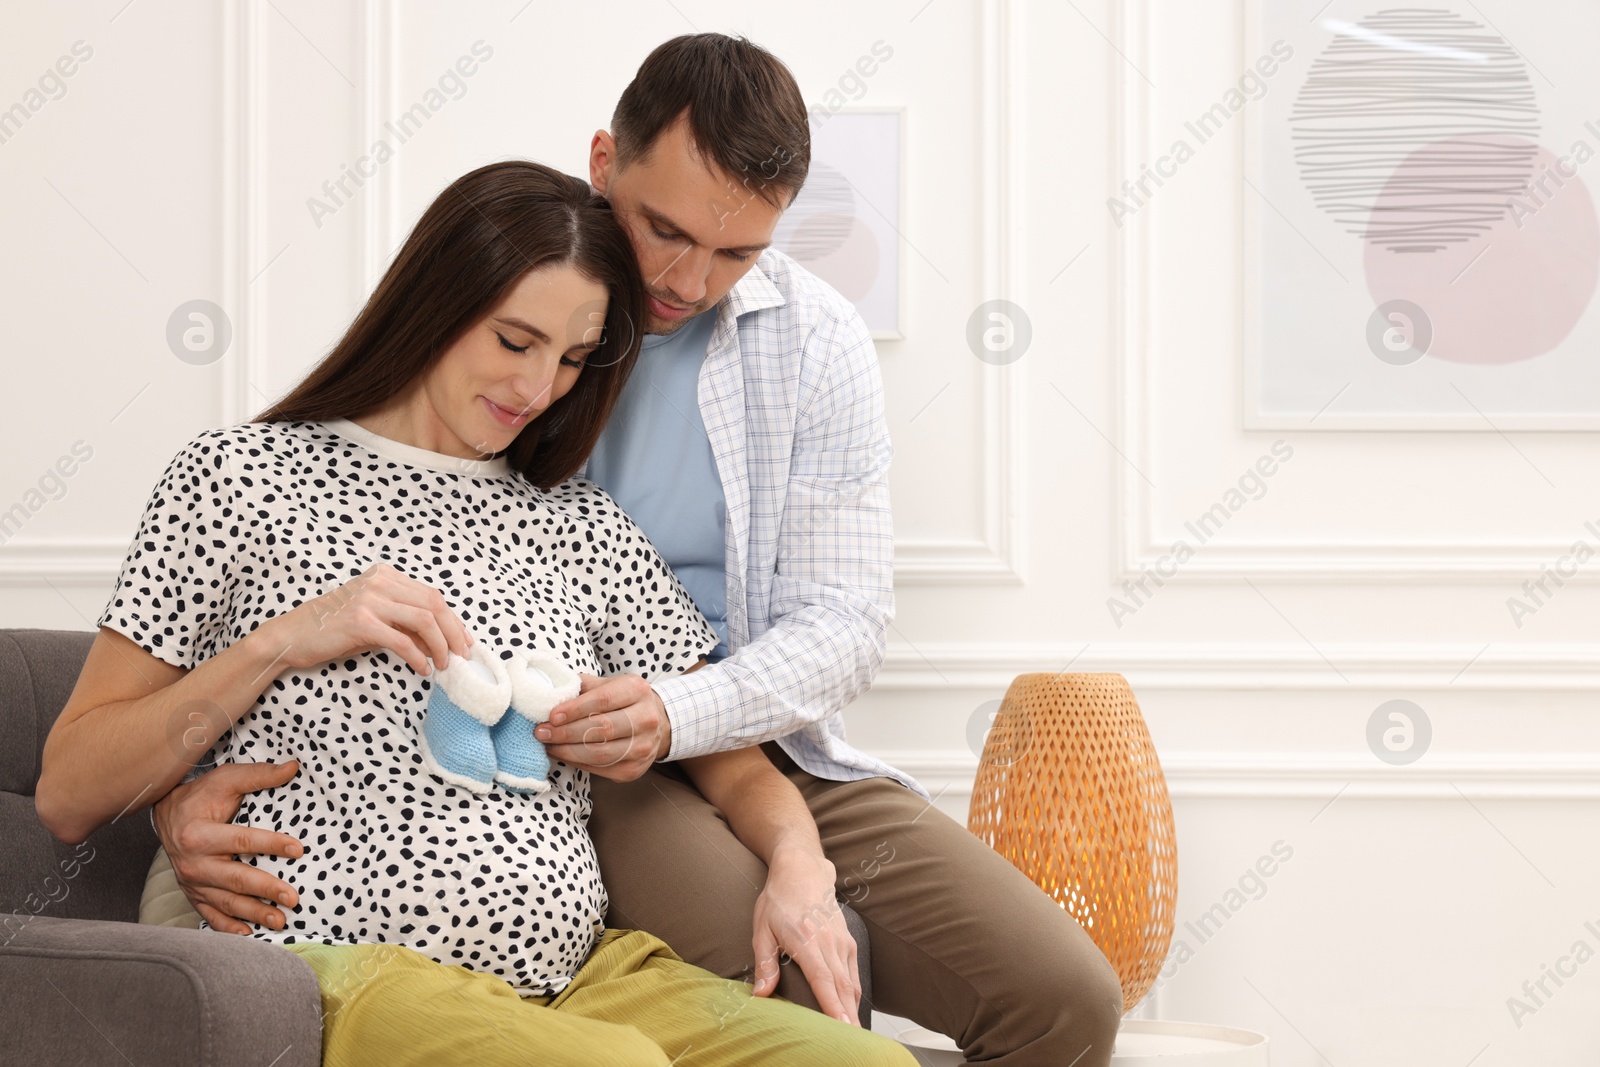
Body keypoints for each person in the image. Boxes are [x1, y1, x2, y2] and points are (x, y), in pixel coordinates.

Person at [152, 33, 1126, 1067]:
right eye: (664, 229)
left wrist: (718, 754)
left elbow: (846, 624)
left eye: (737, 251)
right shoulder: (511, 319)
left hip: (754, 733)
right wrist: (183, 782)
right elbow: (324, 562)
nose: (688, 278)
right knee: (789, 985)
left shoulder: (814, 340)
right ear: (604, 162)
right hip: (565, 749)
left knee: (1065, 996)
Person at [34, 159, 914, 1067]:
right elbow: (69, 791)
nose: (539, 388)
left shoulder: (582, 522)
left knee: (864, 1064)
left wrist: (799, 859)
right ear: (435, 302)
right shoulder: (237, 478)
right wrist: (284, 640)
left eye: (573, 358)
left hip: (582, 975)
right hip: (347, 965)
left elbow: (734, 762)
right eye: (514, 340)